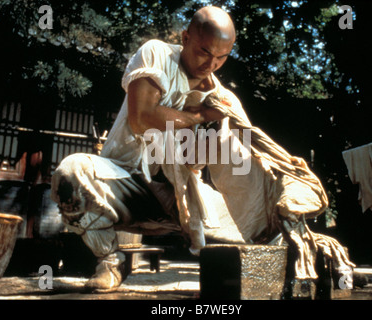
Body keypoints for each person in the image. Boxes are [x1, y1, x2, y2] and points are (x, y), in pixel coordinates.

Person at [51, 6, 243, 292]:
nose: (211, 64)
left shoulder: (220, 96)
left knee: (260, 224)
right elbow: (141, 120)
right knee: (70, 173)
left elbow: (197, 160)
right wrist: (200, 116)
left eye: (221, 57)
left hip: (178, 195)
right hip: (122, 180)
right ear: (186, 37)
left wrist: (212, 143)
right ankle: (109, 261)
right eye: (204, 52)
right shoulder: (157, 54)